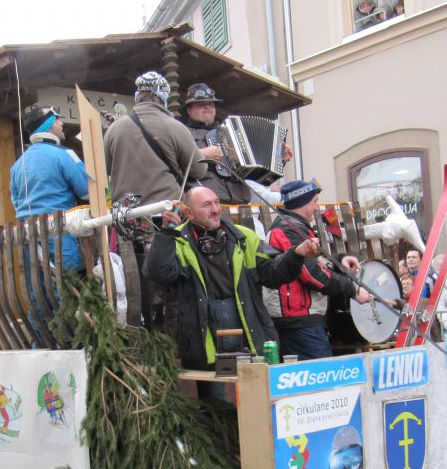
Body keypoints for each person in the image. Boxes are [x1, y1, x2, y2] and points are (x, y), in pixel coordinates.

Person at [143, 186, 318, 396]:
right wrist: (166, 233)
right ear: (188, 213)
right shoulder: (176, 240)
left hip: (250, 337)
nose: (216, 209)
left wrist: (296, 255)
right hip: (206, 344)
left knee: (256, 403)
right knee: (217, 409)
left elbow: (272, 274)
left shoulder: (244, 237)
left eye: (217, 202)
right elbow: (158, 274)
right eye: (207, 205)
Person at [262, 180, 371, 360]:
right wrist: (353, 290)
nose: (316, 207)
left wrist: (339, 261)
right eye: (314, 201)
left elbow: (316, 263)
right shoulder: (288, 230)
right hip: (298, 323)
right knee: (319, 382)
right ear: (302, 202)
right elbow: (312, 273)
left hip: (302, 321)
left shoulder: (296, 228)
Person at [104, 71, 207, 207]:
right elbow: (199, 170)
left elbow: (106, 168)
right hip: (166, 213)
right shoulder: (176, 127)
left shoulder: (114, 129)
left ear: (138, 96)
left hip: (126, 216)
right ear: (163, 96)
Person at [10, 104, 90, 270]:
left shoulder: (16, 166)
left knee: (40, 291)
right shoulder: (63, 155)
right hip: (59, 235)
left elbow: (17, 203)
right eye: (57, 119)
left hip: (28, 237)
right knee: (68, 288)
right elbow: (87, 192)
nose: (61, 123)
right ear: (47, 125)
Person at [182, 83, 250, 204]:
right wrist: (201, 154)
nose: (208, 107)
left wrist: (278, 156)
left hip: (241, 203)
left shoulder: (233, 133)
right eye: (201, 104)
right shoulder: (181, 133)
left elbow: (255, 171)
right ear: (189, 110)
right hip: (206, 205)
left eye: (211, 104)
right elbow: (172, 163)